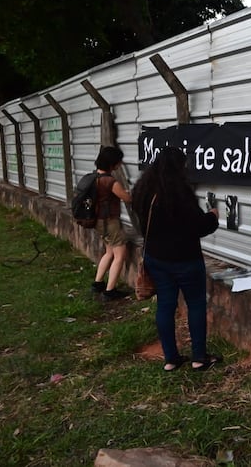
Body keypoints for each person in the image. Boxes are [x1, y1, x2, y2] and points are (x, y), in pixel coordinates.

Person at [131, 147, 221, 372]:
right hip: (186, 260)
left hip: (156, 259)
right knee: (196, 304)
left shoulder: (143, 191)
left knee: (165, 305)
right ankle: (199, 357)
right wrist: (212, 217)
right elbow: (199, 226)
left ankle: (171, 359)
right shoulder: (179, 194)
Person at [90, 146, 132, 301]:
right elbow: (127, 199)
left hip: (99, 221)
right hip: (110, 222)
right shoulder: (109, 181)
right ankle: (110, 291)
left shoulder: (94, 177)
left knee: (109, 252)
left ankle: (98, 283)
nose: (120, 164)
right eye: (119, 161)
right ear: (113, 163)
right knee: (120, 255)